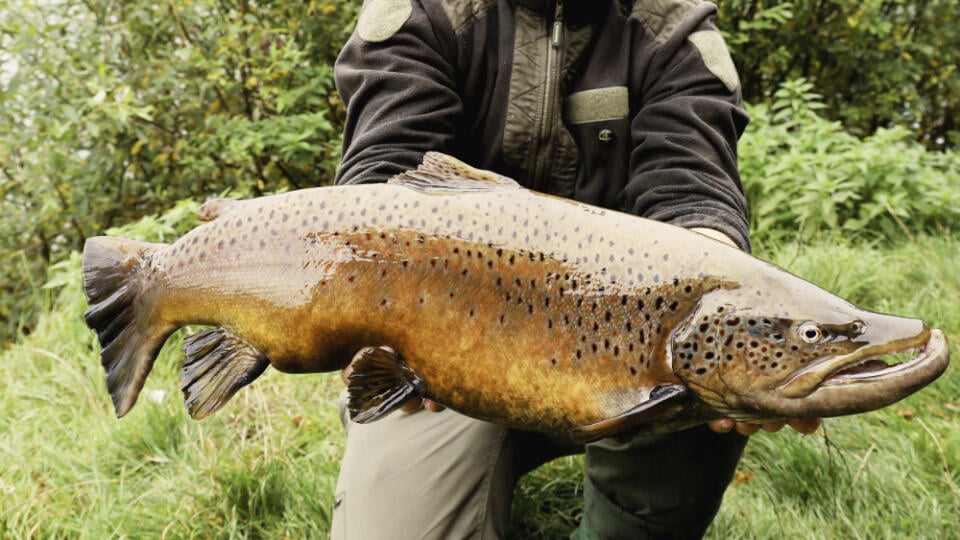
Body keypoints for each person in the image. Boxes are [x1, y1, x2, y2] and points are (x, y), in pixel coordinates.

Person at [329, 0, 818, 538]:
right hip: (444, 346)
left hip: (627, 343)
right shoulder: (421, 11)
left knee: (713, 369)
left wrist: (727, 296)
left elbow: (691, 187)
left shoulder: (673, 24)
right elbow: (383, 185)